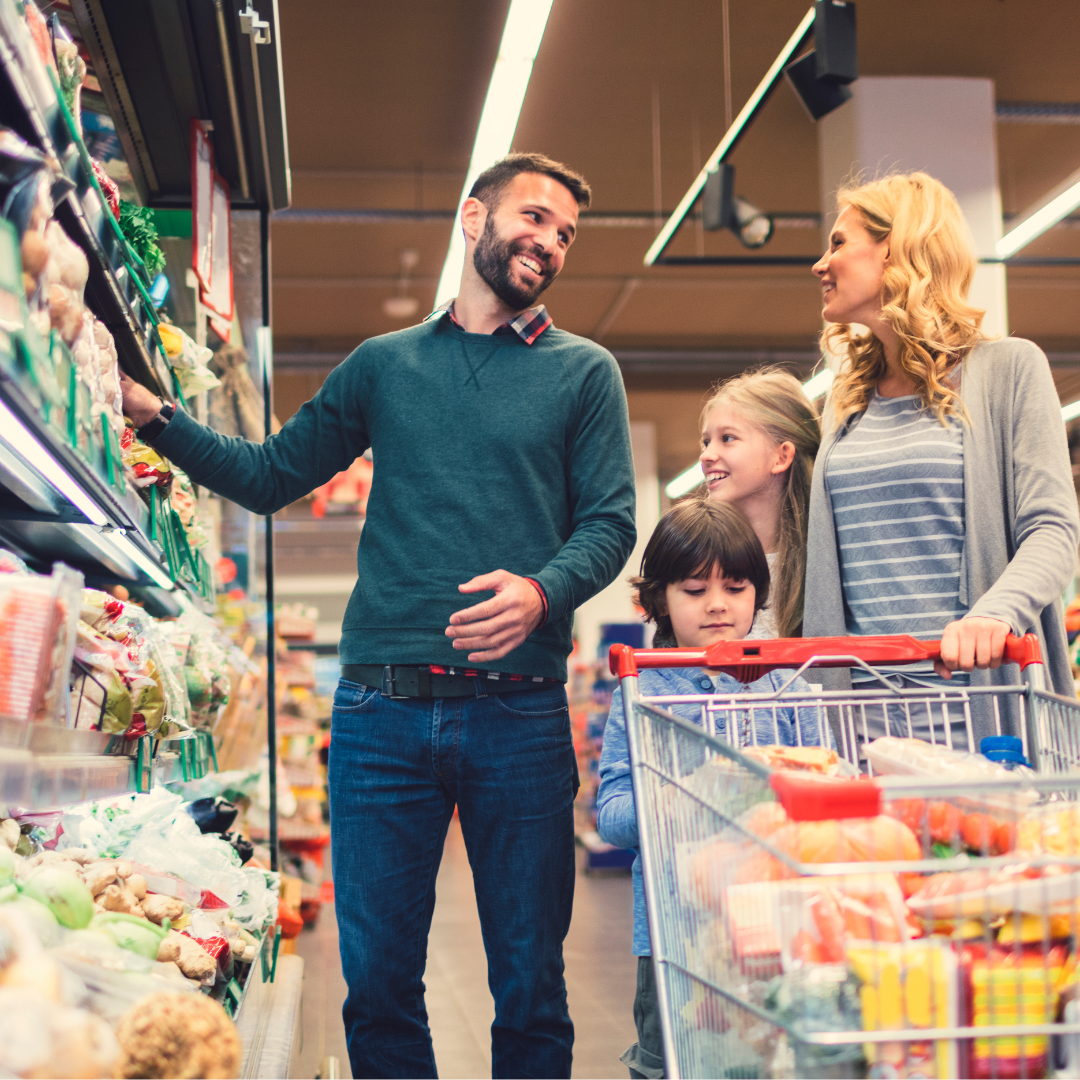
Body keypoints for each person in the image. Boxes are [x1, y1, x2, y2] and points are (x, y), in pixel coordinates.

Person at [120, 152, 637, 1079]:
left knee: (530, 986)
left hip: (519, 714)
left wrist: (542, 592)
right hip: (378, 717)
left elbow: (610, 523)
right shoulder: (384, 368)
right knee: (380, 985)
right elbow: (270, 475)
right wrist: (153, 414)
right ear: (473, 217)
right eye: (534, 217)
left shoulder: (584, 374)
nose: (550, 242)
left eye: (565, 233)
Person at [806, 171, 1079, 743]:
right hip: (863, 723)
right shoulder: (845, 400)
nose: (820, 264)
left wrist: (994, 613)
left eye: (838, 243)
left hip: (980, 709)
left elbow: (1053, 530)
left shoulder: (1007, 369)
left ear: (896, 247)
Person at [595, 500, 829, 1080]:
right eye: (695, 589)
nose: (719, 604)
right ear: (660, 601)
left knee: (781, 1062)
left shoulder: (791, 686)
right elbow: (612, 815)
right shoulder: (643, 693)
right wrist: (678, 793)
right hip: (677, 938)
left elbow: (826, 790)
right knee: (673, 1063)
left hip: (782, 930)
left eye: (736, 586)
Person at [698, 367, 820, 638]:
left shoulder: (822, 562)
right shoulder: (699, 558)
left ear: (781, 457)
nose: (706, 455)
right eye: (706, 442)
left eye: (727, 438)